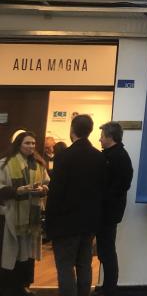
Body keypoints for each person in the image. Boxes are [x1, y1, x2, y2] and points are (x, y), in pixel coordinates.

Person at [46, 114, 106, 296]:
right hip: (89, 221)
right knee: (84, 264)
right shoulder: (99, 157)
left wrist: (49, 221)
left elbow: (56, 192)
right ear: (90, 130)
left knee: (65, 266)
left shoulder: (64, 156)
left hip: (65, 222)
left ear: (72, 130)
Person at [0, 131, 49, 296]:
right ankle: (7, 288)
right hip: (12, 216)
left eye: (33, 143)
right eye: (27, 143)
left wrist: (43, 189)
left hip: (32, 216)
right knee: (11, 253)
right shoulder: (5, 164)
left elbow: (47, 183)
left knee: (27, 254)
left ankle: (22, 286)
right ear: (18, 144)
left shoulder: (38, 164)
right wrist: (17, 191)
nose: (31, 146)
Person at [94, 122, 133, 296]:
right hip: (106, 211)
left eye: (102, 136)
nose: (100, 139)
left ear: (110, 137)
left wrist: (103, 198)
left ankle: (109, 289)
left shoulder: (119, 156)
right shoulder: (111, 154)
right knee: (105, 250)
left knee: (107, 251)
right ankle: (107, 287)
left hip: (108, 212)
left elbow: (122, 184)